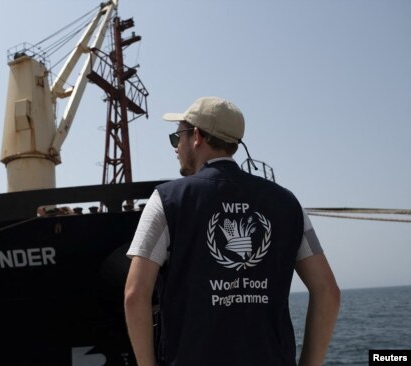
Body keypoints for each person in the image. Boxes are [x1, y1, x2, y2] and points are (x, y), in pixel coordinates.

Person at [124, 96, 340, 366]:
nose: (175, 147)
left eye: (176, 136)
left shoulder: (167, 200)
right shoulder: (288, 203)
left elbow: (135, 295)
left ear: (197, 136)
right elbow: (328, 292)